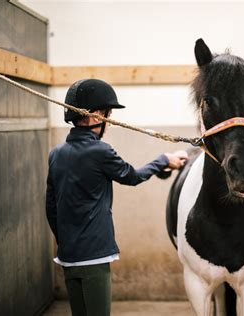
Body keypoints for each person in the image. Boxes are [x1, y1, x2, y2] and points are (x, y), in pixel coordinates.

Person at [45, 79, 188, 316]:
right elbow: (132, 176)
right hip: (94, 256)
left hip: (68, 257)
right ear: (95, 117)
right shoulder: (100, 151)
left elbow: (50, 207)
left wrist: (66, 242)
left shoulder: (56, 154)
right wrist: (163, 160)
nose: (109, 124)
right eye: (108, 116)